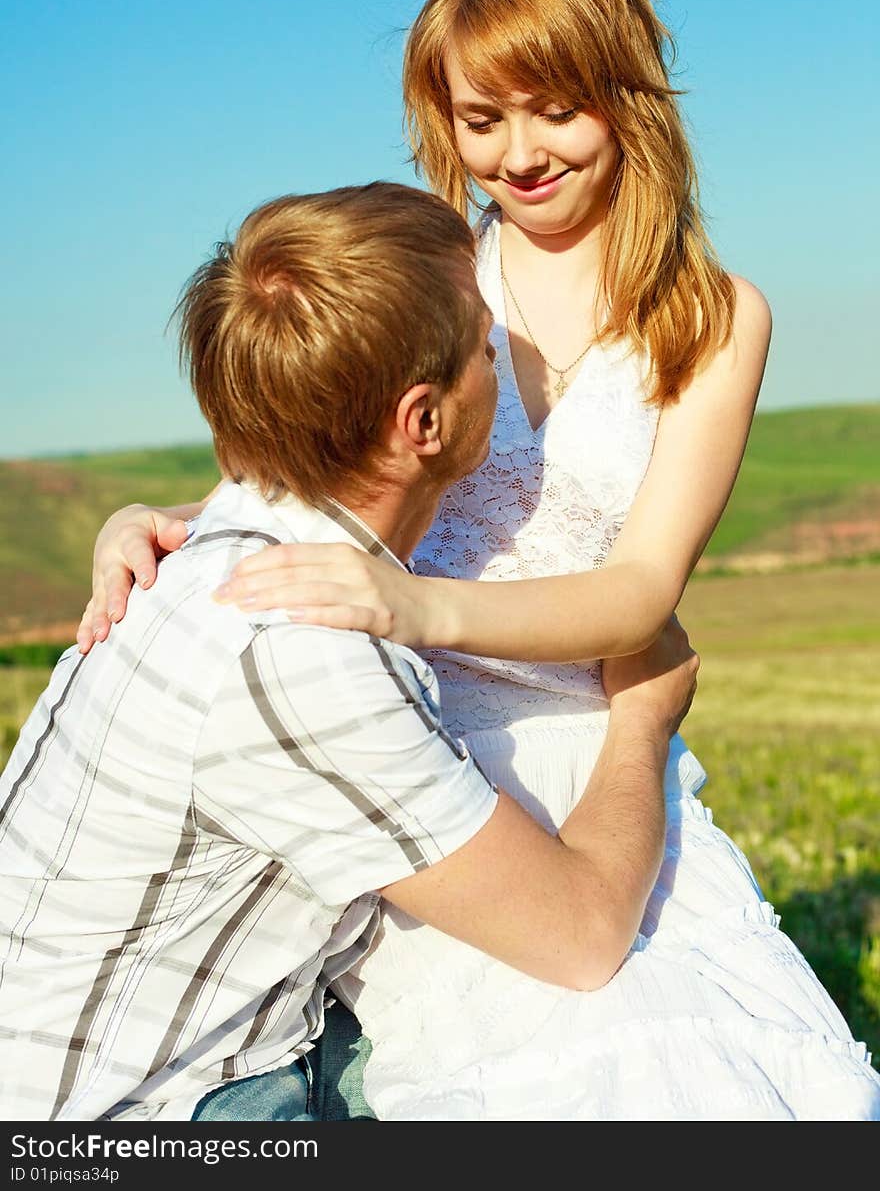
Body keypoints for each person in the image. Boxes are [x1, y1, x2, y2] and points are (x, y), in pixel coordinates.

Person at [78, 0, 880, 1119]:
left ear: (625, 89)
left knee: (714, 1074)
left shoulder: (717, 317)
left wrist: (419, 601)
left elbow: (645, 591)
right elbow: (335, 474)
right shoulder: (430, 268)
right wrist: (161, 516)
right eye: (480, 119)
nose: (519, 153)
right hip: (417, 757)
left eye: (553, 106)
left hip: (588, 742)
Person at [0, 182, 703, 1122]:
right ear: (425, 422)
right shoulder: (305, 657)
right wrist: (645, 718)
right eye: (486, 347)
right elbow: (581, 936)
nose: (509, 361)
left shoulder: (203, 547)